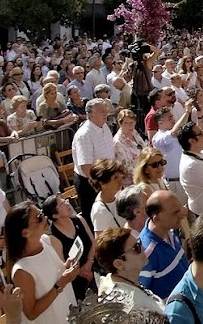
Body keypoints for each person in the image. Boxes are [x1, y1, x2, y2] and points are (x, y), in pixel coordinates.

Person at [5, 201, 80, 324]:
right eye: (39, 218)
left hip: (68, 313)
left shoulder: (45, 241)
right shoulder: (22, 270)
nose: (45, 217)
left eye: (42, 213)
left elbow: (52, 275)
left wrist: (66, 267)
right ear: (25, 233)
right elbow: (31, 313)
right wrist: (62, 282)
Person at [93, 227, 165, 313]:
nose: (143, 249)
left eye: (140, 243)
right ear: (119, 264)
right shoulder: (127, 304)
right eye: (136, 248)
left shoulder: (121, 279)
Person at [72, 97, 116, 231]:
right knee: (94, 220)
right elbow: (86, 167)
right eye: (101, 111)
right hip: (91, 183)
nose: (105, 113)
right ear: (90, 115)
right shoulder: (84, 134)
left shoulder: (104, 127)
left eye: (106, 110)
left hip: (107, 178)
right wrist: (102, 184)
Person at [43, 194, 95, 301]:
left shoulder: (79, 220)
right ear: (55, 215)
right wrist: (83, 273)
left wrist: (89, 262)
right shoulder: (54, 237)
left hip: (93, 266)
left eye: (65, 201)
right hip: (76, 280)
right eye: (62, 205)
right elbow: (63, 265)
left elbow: (93, 242)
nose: (67, 204)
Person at [139, 190, 188, 300]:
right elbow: (143, 295)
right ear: (157, 218)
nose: (181, 215)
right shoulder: (145, 254)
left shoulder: (172, 230)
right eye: (175, 213)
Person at [89, 159, 129, 233]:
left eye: (121, 176)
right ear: (102, 183)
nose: (120, 180)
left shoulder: (119, 195)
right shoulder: (99, 210)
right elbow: (101, 241)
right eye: (115, 178)